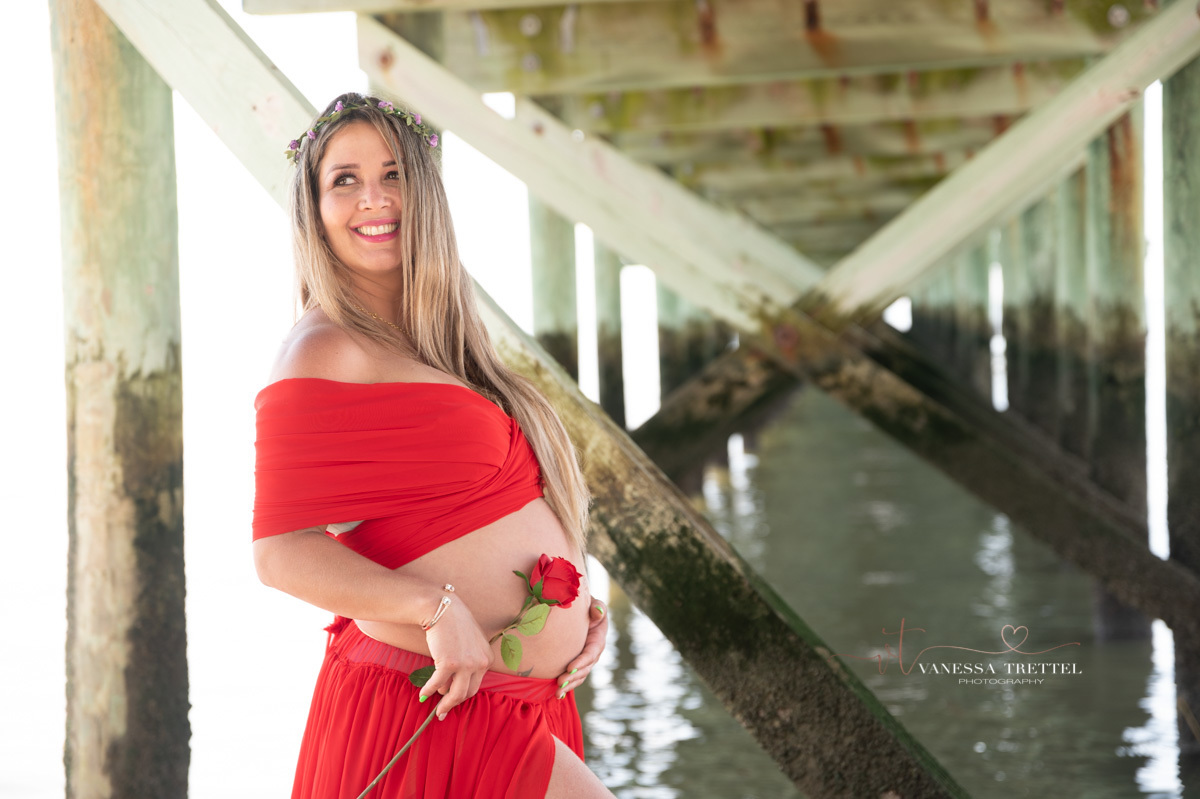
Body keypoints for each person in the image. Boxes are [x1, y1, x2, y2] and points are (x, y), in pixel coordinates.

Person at [251, 92, 616, 799]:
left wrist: (577, 612)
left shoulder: (440, 344)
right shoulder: (322, 349)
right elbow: (279, 550)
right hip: (437, 705)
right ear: (314, 208)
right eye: (345, 180)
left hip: (515, 700)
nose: (374, 198)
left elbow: (477, 507)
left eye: (393, 174)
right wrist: (436, 608)